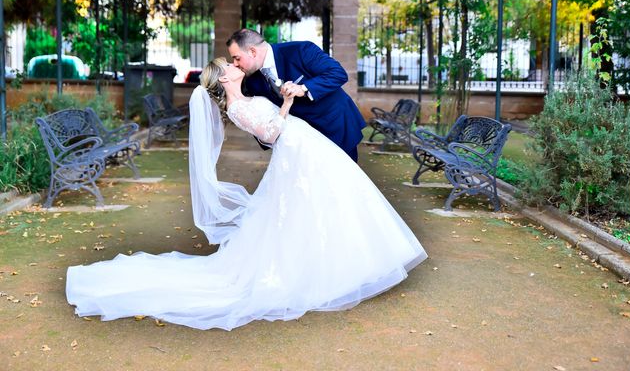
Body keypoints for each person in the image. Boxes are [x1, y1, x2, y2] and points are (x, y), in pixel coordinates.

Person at [65, 58, 427, 331]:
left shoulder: (246, 96)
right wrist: (286, 102)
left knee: (320, 206)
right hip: (294, 152)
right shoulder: (238, 107)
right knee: (309, 209)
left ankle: (341, 266)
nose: (236, 64)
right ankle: (322, 271)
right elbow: (270, 134)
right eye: (230, 64)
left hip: (305, 149)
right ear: (225, 78)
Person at [226, 28, 366, 162]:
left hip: (335, 126)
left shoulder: (300, 50)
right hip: (303, 143)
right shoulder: (251, 81)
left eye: (237, 58)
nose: (235, 64)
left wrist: (303, 88)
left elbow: (338, 73)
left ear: (252, 51)